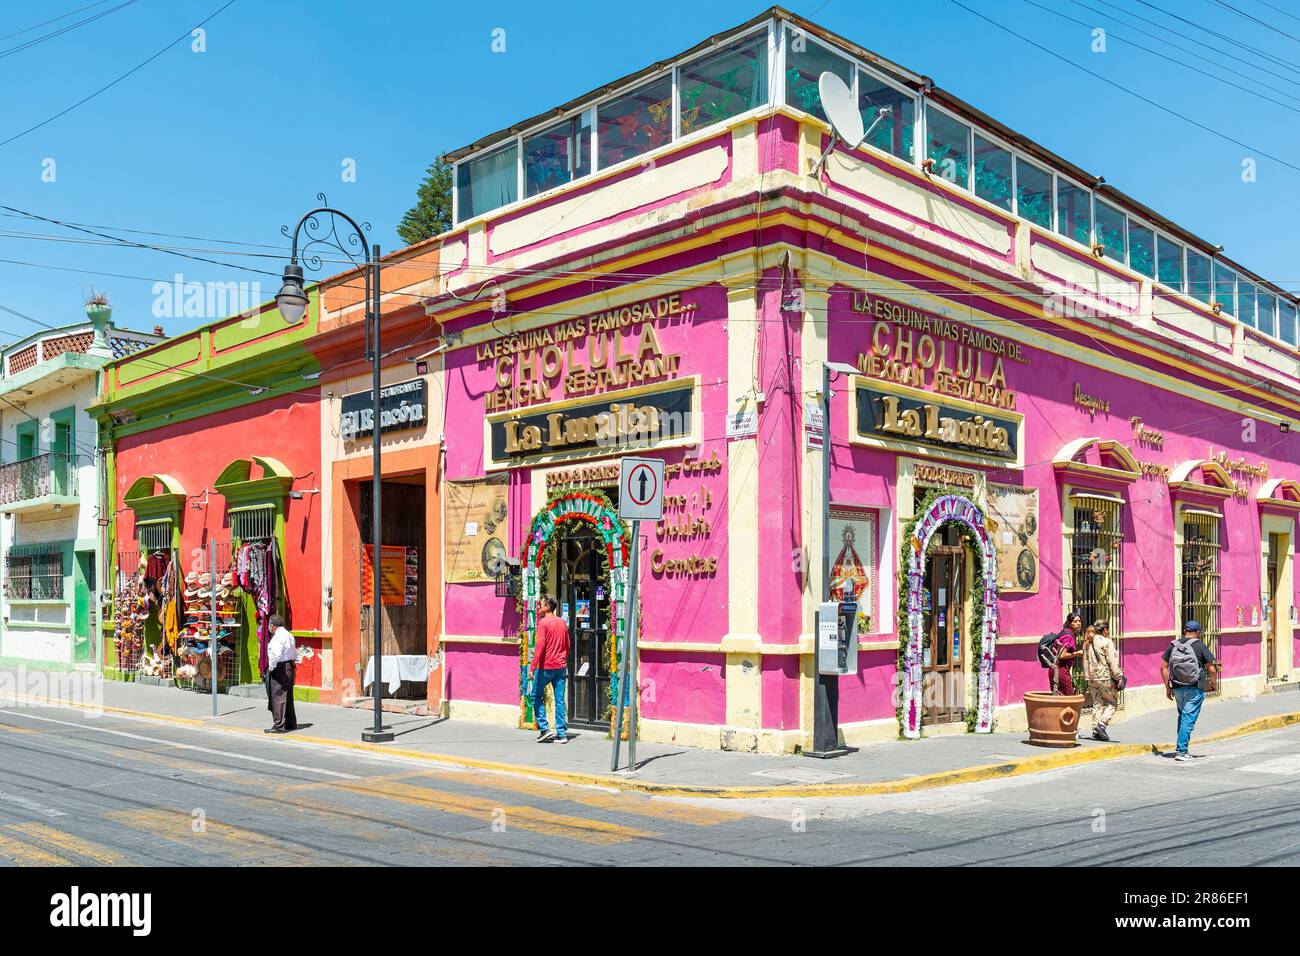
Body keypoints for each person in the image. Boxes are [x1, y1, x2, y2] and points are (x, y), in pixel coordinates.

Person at [1161, 620, 1219, 762]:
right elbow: (1211, 668)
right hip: (1194, 687)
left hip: (1177, 687)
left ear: (1184, 631)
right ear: (1198, 632)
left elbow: (1163, 667)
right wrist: (1213, 683)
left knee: (1183, 717)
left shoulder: (1173, 645)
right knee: (1188, 719)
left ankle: (1181, 747)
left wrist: (1168, 687)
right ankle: (1181, 751)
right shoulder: (1199, 646)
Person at [530, 595, 570, 744]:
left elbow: (540, 646)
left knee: (535, 696)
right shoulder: (562, 623)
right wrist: (563, 659)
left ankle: (545, 729)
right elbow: (567, 644)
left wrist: (532, 667)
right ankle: (562, 734)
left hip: (546, 667)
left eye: (541, 605)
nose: (539, 607)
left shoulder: (543, 623)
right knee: (559, 700)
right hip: (560, 667)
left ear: (547, 607)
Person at [1081, 619, 1125, 741]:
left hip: (1091, 678)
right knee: (1113, 702)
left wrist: (1087, 676)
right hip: (1104, 677)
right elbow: (1112, 661)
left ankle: (1095, 730)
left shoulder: (1087, 643)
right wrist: (1118, 676)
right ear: (1105, 630)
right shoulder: (1107, 642)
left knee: (1097, 703)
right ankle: (1102, 725)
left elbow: (1084, 661)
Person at [264, 614, 298, 734]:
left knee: (277, 696)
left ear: (272, 626)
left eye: (269, 625)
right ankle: (291, 722)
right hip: (289, 666)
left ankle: (278, 725)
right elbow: (294, 652)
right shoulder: (289, 635)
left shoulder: (278, 638)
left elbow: (276, 655)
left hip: (280, 667)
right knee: (287, 696)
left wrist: (272, 667)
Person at [1050, 611, 1083, 695]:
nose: (1078, 623)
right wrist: (1077, 653)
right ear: (1069, 623)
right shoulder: (1068, 636)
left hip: (1054, 668)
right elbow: (1061, 655)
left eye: (1079, 621)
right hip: (1061, 669)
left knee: (1059, 696)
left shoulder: (1065, 633)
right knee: (1069, 696)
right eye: (1075, 621)